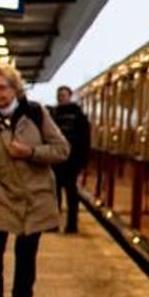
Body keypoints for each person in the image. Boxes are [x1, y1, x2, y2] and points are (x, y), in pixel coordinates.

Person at [0, 62, 71, 297]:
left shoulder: (35, 113)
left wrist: (31, 152)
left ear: (15, 88)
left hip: (35, 198)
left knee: (26, 258)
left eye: (1, 88)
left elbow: (62, 149)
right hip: (0, 195)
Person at [51, 85, 91, 233]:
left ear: (69, 96)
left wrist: (82, 161)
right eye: (59, 95)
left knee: (71, 194)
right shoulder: (52, 115)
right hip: (55, 161)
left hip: (71, 162)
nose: (61, 97)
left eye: (64, 95)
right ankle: (54, 223)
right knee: (55, 194)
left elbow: (85, 140)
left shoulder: (79, 116)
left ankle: (72, 224)